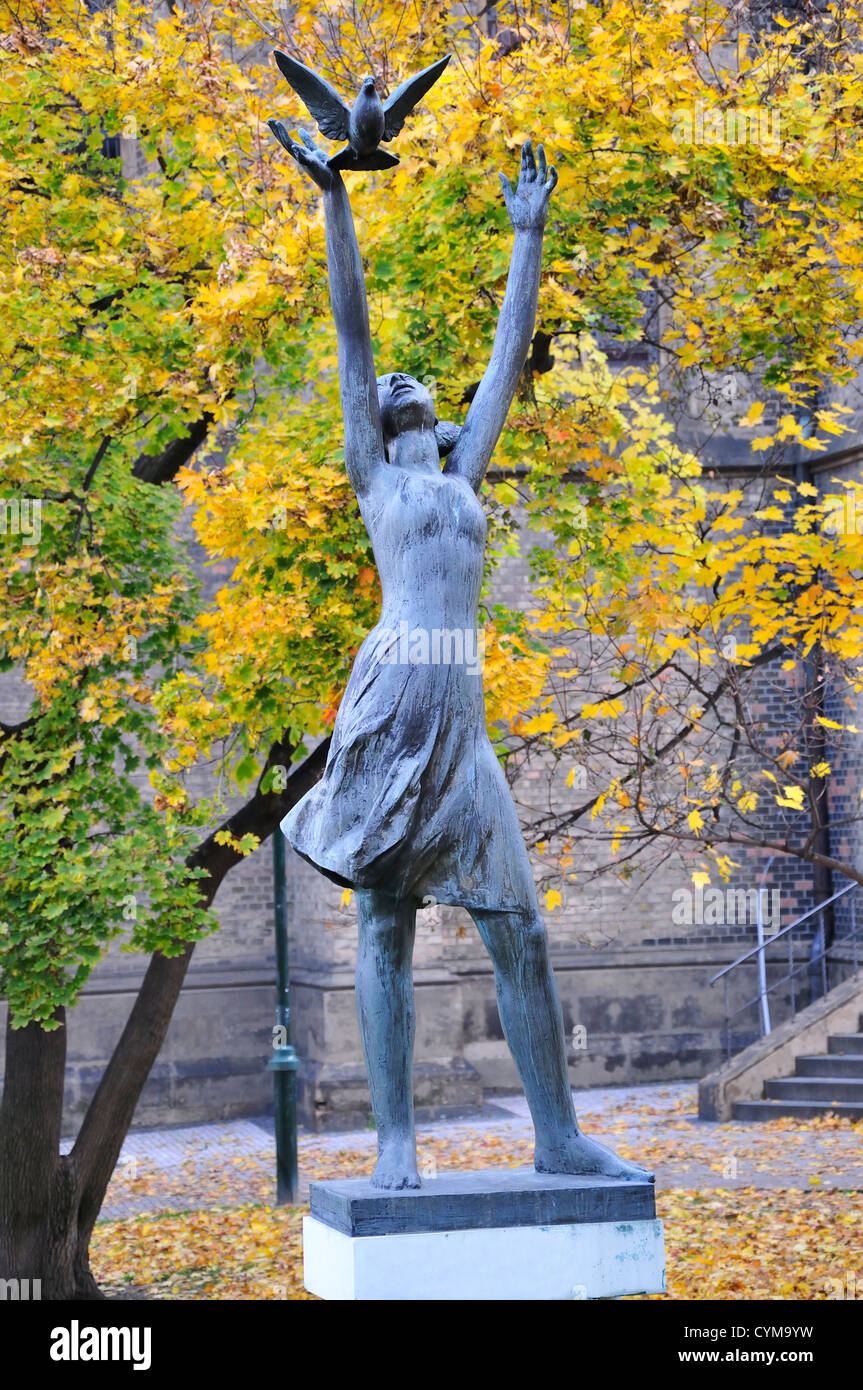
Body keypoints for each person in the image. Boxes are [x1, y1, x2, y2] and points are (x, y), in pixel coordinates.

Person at [282, 129, 651, 1190]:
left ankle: (555, 1136)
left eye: (413, 379)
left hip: (462, 727)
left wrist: (525, 238)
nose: (393, 375)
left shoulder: (460, 476)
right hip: (393, 706)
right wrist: (336, 204)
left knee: (519, 925)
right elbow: (353, 335)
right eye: (385, 382)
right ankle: (395, 1141)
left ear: (440, 425)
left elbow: (503, 351)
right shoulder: (377, 483)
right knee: (383, 919)